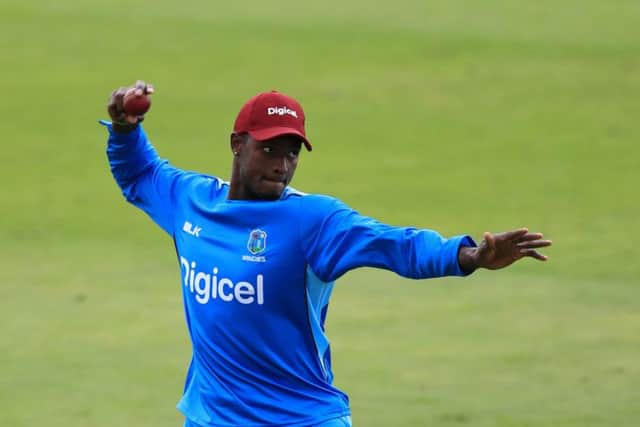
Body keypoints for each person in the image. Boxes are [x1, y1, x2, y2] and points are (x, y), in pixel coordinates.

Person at [102, 81, 552, 427]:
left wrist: (468, 255)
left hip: (300, 417)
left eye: (292, 152)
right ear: (237, 144)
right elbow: (139, 174)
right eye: (269, 149)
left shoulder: (314, 222)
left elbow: (396, 245)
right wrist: (125, 127)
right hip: (212, 417)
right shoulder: (191, 202)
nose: (281, 163)